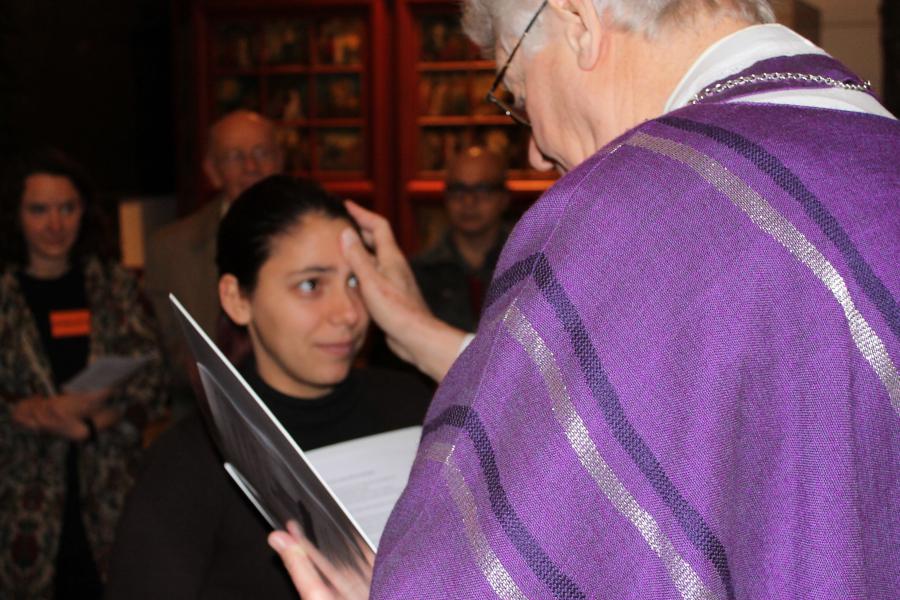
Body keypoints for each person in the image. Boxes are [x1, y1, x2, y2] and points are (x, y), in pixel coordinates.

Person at [269, 0, 899, 598]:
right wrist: (428, 338)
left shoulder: (634, 206)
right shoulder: (876, 151)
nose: (537, 149)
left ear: (578, 22)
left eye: (516, 96)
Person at [105, 176, 431, 599]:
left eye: (355, 281)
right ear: (237, 299)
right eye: (311, 285)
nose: (348, 313)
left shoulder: (418, 406)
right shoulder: (190, 462)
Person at [0, 148, 167, 598]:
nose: (55, 224)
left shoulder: (114, 286)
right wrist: (28, 411)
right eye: (39, 210)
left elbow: (153, 381)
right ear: (16, 215)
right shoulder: (4, 293)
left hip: (108, 487)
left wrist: (91, 424)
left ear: (83, 213)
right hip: (18, 497)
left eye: (66, 208)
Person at [144, 109, 285, 418]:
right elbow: (160, 349)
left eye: (261, 152)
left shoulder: (322, 239)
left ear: (280, 160)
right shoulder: (170, 248)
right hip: (203, 420)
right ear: (212, 170)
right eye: (235, 157)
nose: (251, 167)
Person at [413, 145, 510, 332]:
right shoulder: (419, 273)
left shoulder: (529, 265)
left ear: (504, 198)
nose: (468, 202)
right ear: (445, 197)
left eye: (482, 189)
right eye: (459, 190)